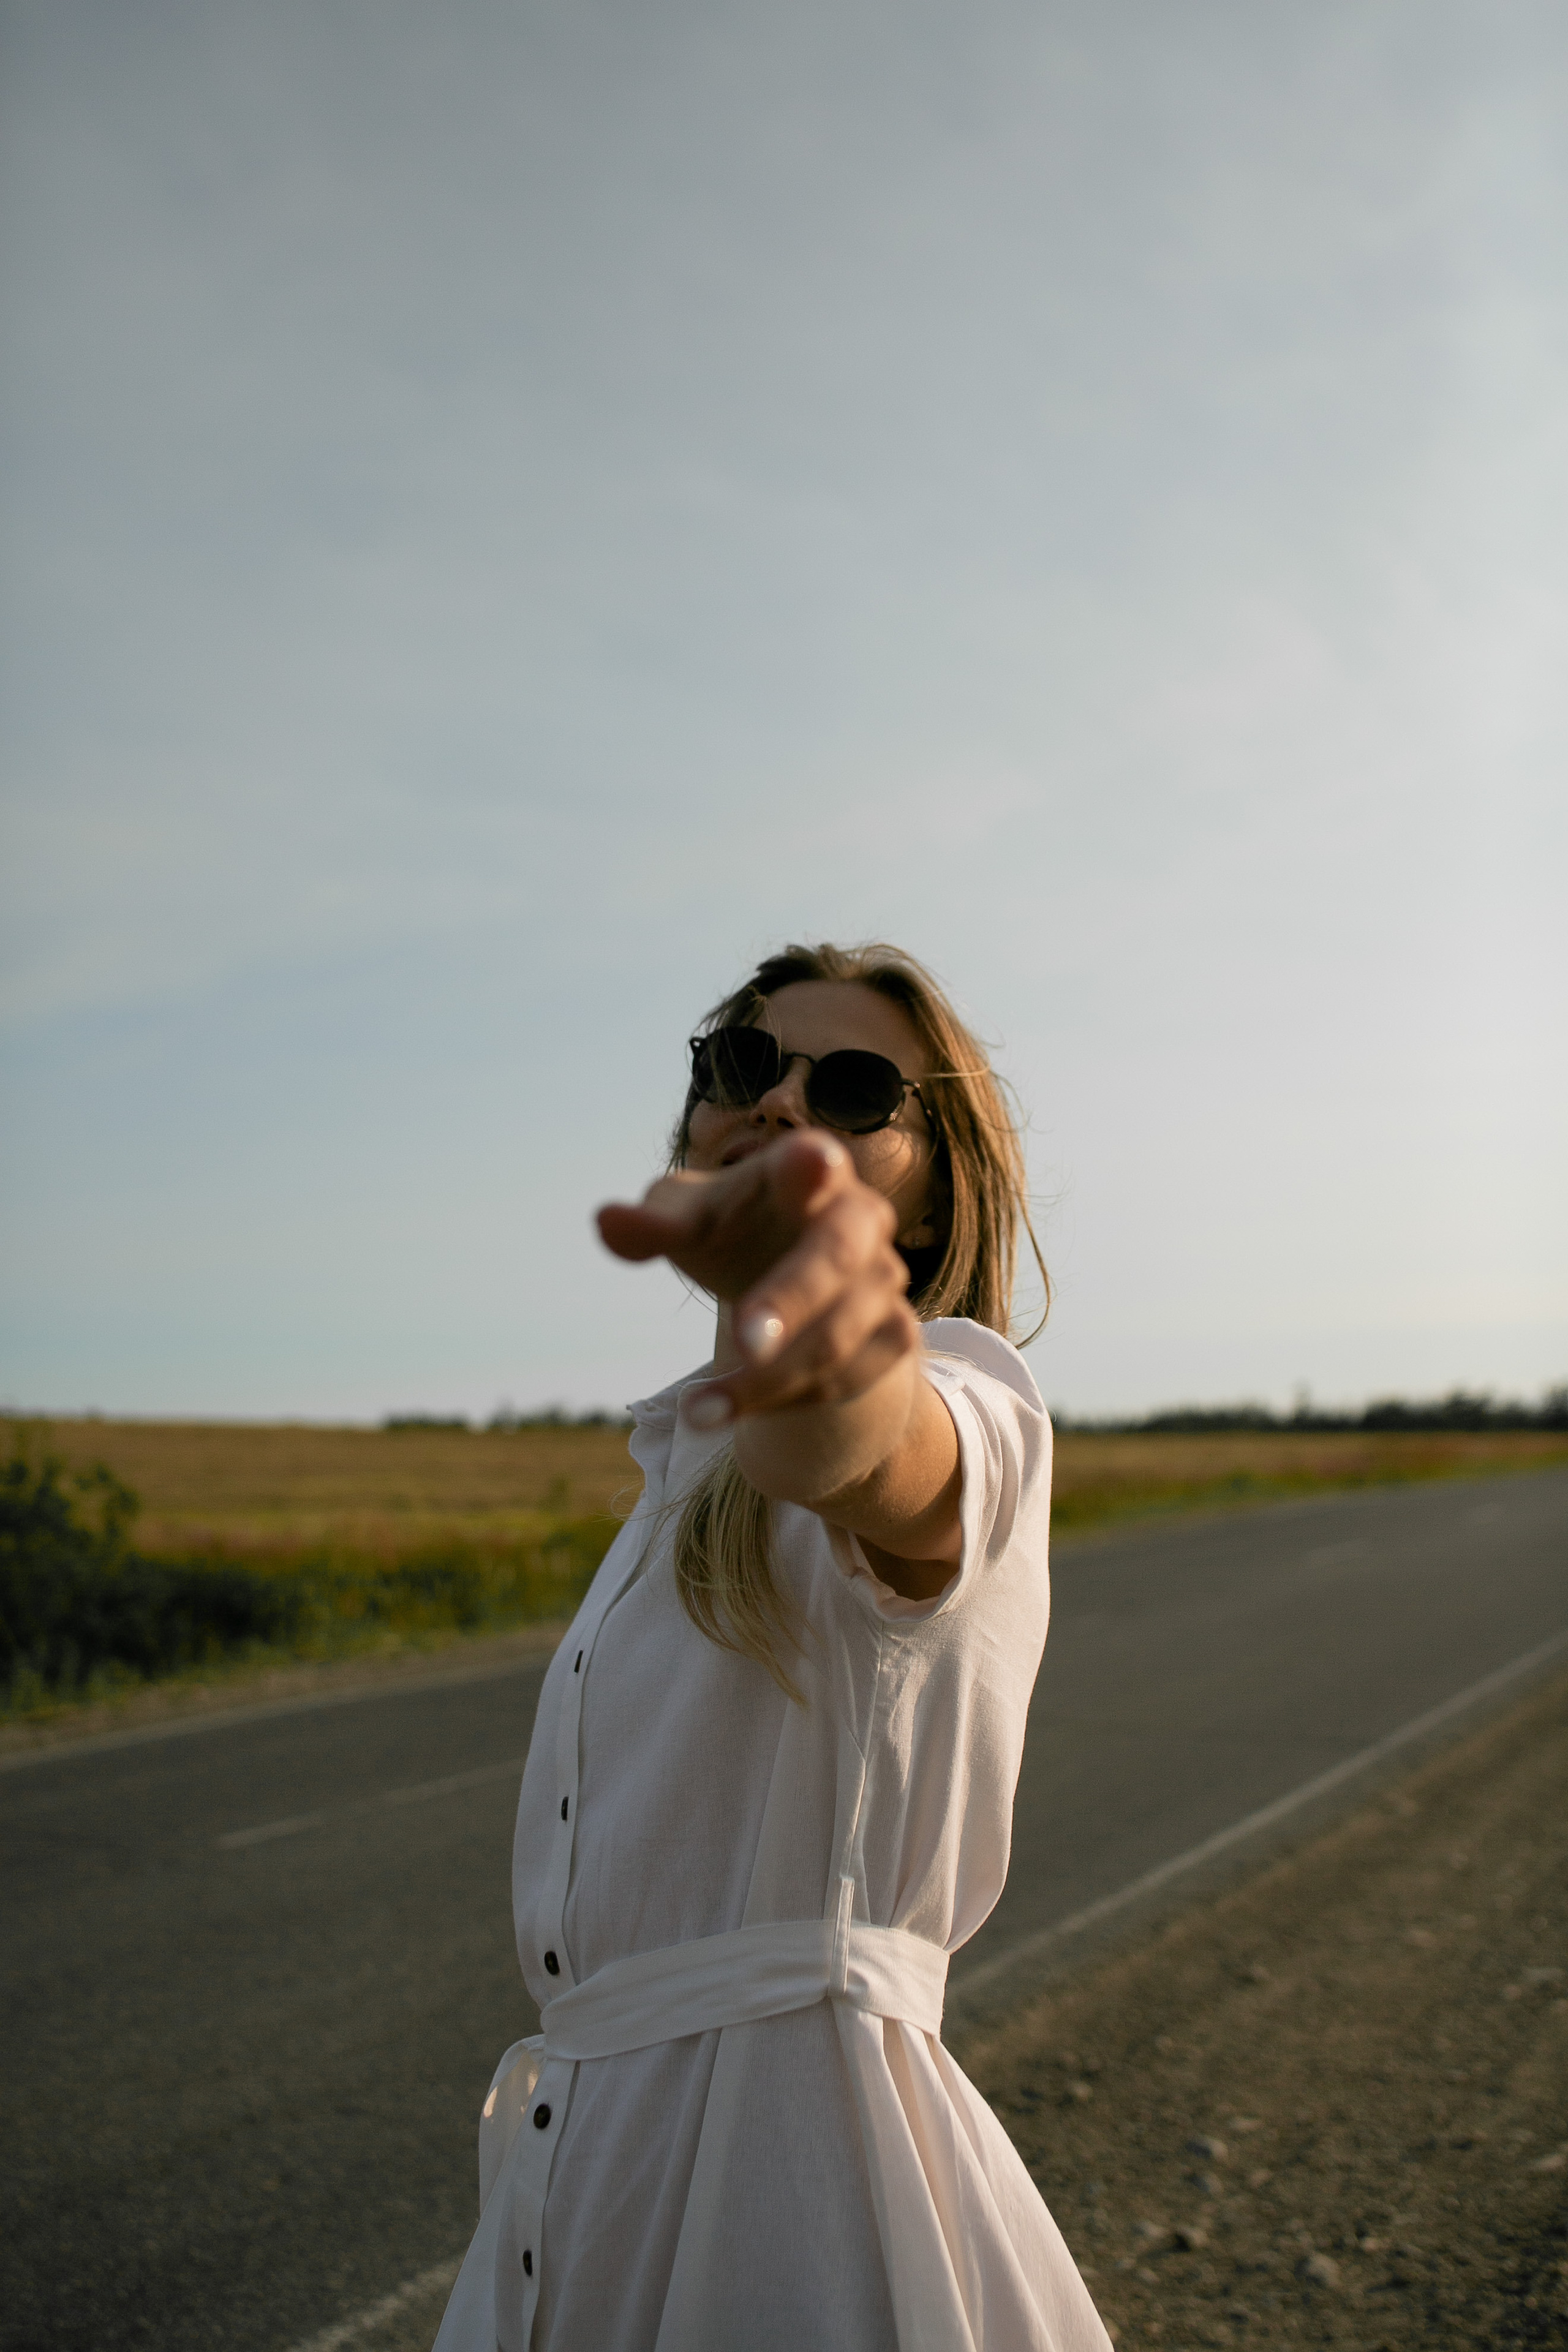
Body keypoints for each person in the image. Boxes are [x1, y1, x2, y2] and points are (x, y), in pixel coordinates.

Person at [434, 941, 1112, 2352]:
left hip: (793, 2184)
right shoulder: (682, 1465)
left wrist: (824, 1329)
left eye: (854, 1088)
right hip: (593, 2158)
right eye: (744, 1064)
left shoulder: (965, 1393)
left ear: (938, 1180)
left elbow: (860, 1448)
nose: (783, 1102)